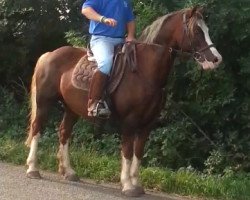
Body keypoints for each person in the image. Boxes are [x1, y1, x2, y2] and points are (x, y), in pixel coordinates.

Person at [81, 0, 136, 117]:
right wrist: (103, 19)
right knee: (106, 63)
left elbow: (130, 19)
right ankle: (94, 103)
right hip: (101, 39)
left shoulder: (125, 1)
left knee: (138, 59)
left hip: (121, 40)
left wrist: (131, 36)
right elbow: (85, 10)